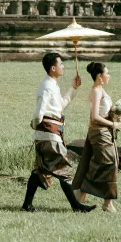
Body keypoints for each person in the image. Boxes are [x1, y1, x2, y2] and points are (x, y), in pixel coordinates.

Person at [21, 52, 96, 213]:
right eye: (61, 64)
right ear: (53, 68)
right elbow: (39, 111)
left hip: (48, 134)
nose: (63, 67)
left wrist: (73, 88)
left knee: (39, 171)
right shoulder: (47, 86)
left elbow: (60, 106)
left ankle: (27, 205)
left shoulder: (52, 85)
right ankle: (76, 206)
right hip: (49, 134)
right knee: (64, 169)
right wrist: (35, 124)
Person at [72, 62, 121, 213]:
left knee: (107, 163)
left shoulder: (101, 90)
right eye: (107, 73)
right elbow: (94, 116)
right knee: (107, 164)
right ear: (99, 76)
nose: (109, 75)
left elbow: (103, 112)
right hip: (99, 133)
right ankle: (106, 203)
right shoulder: (96, 91)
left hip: (104, 132)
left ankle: (84, 196)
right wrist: (112, 124)